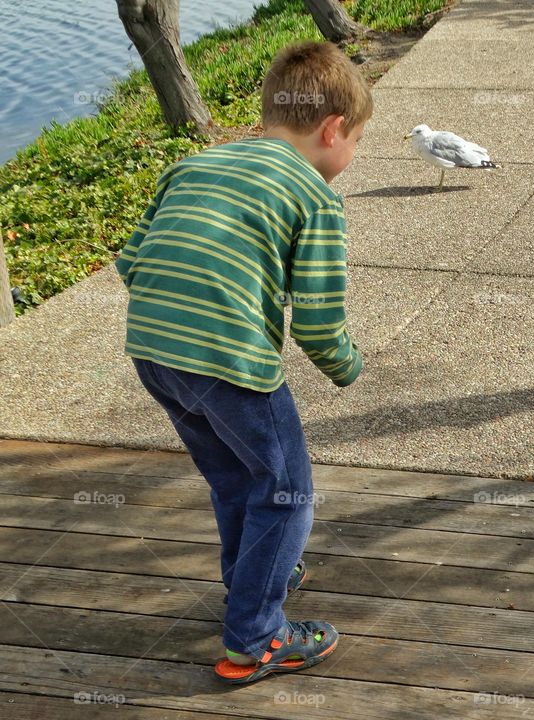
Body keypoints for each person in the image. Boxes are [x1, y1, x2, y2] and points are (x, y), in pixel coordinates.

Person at [114, 40, 371, 684]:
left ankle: (252, 578)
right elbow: (315, 313)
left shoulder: (194, 166)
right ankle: (256, 637)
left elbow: (131, 261)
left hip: (155, 353)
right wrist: (346, 364)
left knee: (235, 479)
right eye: (358, 141)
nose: (351, 155)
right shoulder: (312, 194)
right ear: (333, 128)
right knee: (286, 494)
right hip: (230, 364)